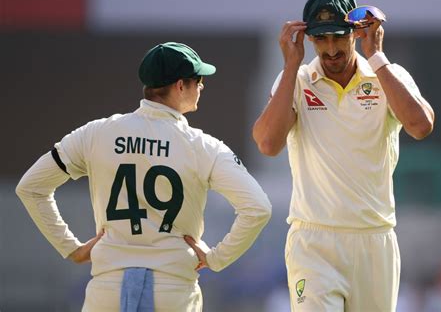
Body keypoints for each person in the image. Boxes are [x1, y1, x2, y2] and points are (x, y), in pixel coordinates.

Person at [16, 42, 272, 312]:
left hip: (107, 290)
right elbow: (258, 208)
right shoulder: (205, 147)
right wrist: (217, 258)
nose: (202, 86)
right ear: (180, 86)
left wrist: (70, 247)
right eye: (197, 79)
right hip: (173, 290)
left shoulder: (95, 133)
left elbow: (31, 187)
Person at [253, 0, 434, 312]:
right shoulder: (296, 79)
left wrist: (377, 57)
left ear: (355, 31)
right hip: (314, 240)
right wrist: (292, 66)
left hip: (374, 238)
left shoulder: (387, 75)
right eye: (321, 39)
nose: (332, 49)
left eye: (339, 36)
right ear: (308, 38)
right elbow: (268, 143)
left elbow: (421, 127)